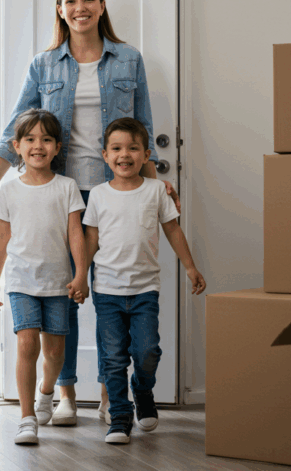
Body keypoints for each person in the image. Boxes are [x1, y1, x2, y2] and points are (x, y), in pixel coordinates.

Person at [0, 0, 178, 425]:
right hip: (59, 192)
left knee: (108, 292)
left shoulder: (129, 59)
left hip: (113, 191)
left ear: (101, 5)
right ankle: (65, 393)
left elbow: (141, 127)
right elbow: (14, 133)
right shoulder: (44, 65)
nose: (79, 7)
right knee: (65, 291)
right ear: (59, 9)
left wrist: (153, 179)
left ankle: (109, 394)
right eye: (70, 0)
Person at [83, 117, 206, 444]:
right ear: (105, 156)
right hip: (106, 290)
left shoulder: (156, 191)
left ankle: (143, 391)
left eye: (133, 148)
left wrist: (190, 267)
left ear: (146, 154)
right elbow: (91, 239)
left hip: (144, 291)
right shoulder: (97, 195)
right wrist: (79, 276)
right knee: (112, 357)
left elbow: (172, 229)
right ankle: (120, 417)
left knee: (147, 350)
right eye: (117, 148)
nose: (125, 155)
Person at [0, 109, 88, 445]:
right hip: (21, 282)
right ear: (16, 145)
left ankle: (48, 392)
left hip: (58, 282)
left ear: (58, 147)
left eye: (46, 139)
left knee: (55, 351)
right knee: (27, 344)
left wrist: (81, 274)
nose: (38, 145)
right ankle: (27, 417)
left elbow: (76, 233)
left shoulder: (67, 187)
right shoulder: (10, 192)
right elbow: (2, 238)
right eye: (30, 139)